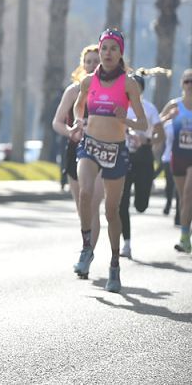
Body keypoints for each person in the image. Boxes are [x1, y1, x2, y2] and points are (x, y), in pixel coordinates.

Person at [70, 29, 147, 292]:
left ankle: (114, 264)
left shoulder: (129, 84)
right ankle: (86, 248)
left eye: (114, 49)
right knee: (85, 193)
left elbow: (142, 122)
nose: (108, 53)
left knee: (111, 211)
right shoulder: (88, 81)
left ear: (120, 53)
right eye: (105, 48)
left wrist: (124, 118)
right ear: (99, 51)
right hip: (90, 145)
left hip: (115, 149)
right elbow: (78, 106)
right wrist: (80, 121)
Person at [51, 45, 106, 263]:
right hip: (76, 150)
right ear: (83, 64)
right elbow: (56, 122)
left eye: (96, 61)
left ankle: (87, 255)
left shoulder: (109, 91)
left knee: (93, 204)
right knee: (83, 207)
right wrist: (70, 132)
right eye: (89, 61)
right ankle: (87, 246)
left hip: (103, 150)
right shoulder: (73, 91)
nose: (93, 65)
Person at [120, 68, 166, 258]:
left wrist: (146, 140)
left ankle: (142, 199)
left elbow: (160, 134)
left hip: (144, 156)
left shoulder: (149, 108)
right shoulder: (121, 106)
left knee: (140, 205)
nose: (133, 89)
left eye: (136, 87)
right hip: (124, 155)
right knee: (122, 202)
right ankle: (127, 243)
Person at [159, 68, 192, 253]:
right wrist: (167, 117)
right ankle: (188, 232)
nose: (190, 85)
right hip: (178, 156)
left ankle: (184, 237)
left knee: (188, 195)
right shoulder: (175, 105)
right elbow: (158, 122)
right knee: (183, 199)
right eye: (187, 81)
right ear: (182, 84)